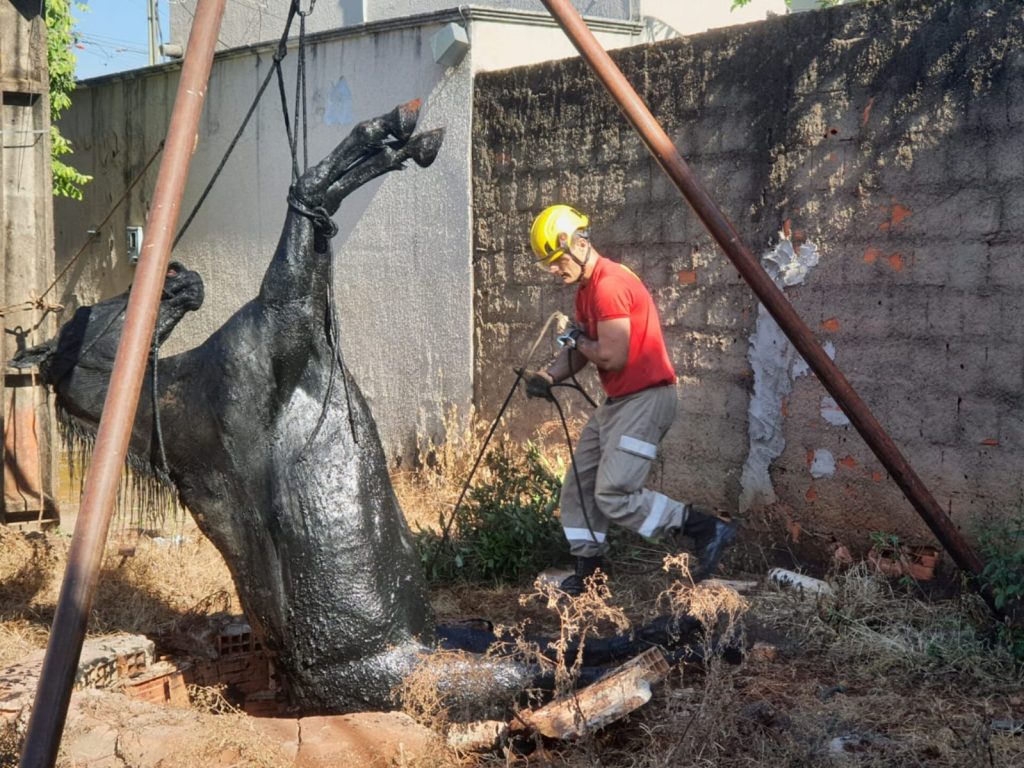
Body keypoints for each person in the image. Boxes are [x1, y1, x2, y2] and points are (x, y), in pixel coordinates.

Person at [522, 204, 737, 596]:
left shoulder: (609, 286)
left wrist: (577, 340)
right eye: (547, 264)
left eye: (556, 260)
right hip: (620, 401)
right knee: (579, 484)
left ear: (578, 244)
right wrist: (548, 376)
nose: (553, 270)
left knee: (614, 491)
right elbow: (580, 349)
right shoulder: (586, 291)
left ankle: (705, 528)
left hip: (646, 399)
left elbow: (611, 356)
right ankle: (589, 575)